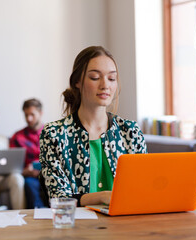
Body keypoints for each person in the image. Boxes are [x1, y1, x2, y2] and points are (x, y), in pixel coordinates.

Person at [39, 46, 147, 207]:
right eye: (95, 77)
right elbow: (59, 198)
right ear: (77, 82)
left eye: (111, 79)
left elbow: (143, 189)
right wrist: (102, 196)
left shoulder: (130, 132)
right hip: (76, 228)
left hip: (126, 225)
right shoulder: (54, 134)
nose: (105, 85)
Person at [10, 98, 45, 208]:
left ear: (40, 113)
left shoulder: (52, 133)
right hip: (30, 176)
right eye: (26, 115)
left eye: (32, 115)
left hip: (50, 174)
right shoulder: (18, 136)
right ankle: (40, 213)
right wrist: (25, 171)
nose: (28, 119)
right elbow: (12, 164)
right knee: (30, 183)